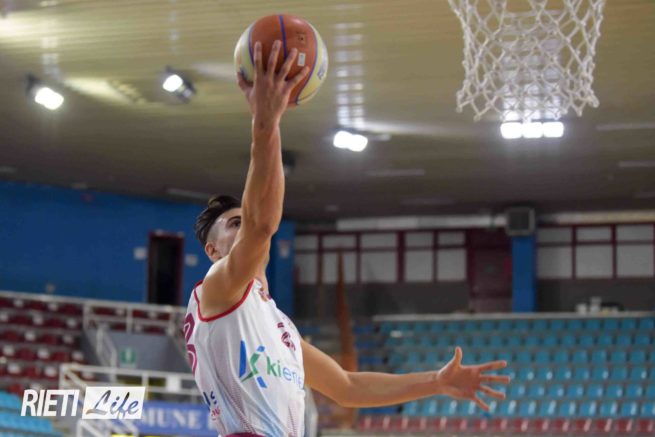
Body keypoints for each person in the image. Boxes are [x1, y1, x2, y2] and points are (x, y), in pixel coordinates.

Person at [183, 40, 511, 437]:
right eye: (233, 224)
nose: (245, 226)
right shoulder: (217, 289)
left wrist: (436, 382)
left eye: (243, 220)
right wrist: (266, 123)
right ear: (212, 250)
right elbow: (262, 223)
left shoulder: (278, 327)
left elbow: (348, 388)